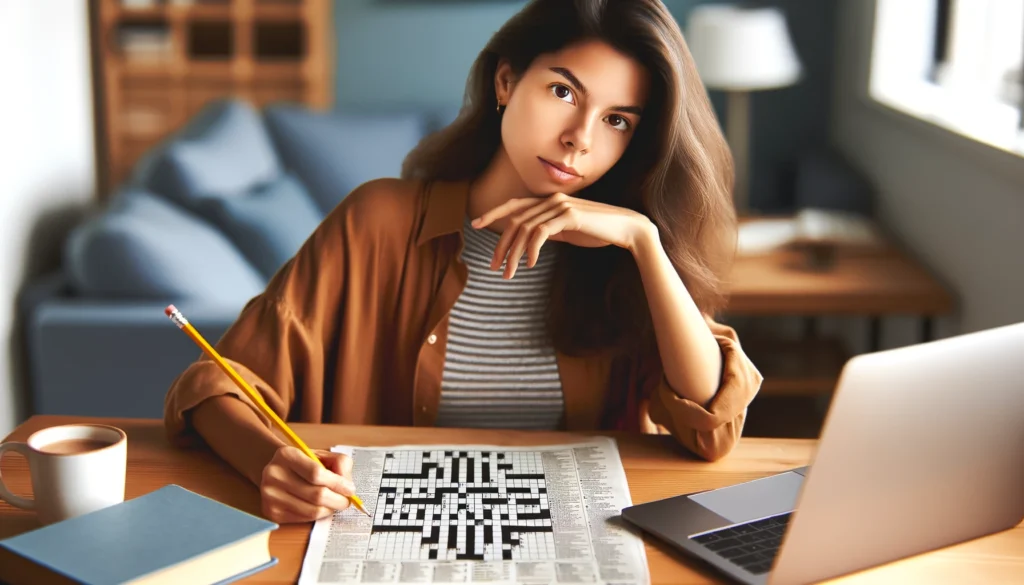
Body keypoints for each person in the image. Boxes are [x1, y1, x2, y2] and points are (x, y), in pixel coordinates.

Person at [163, 0, 763, 525]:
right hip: (383, 538)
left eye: (617, 120)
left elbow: (709, 427)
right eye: (563, 91)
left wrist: (644, 243)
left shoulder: (619, 258)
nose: (580, 137)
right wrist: (271, 464)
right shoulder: (378, 222)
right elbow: (215, 387)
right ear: (506, 81)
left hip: (574, 545)